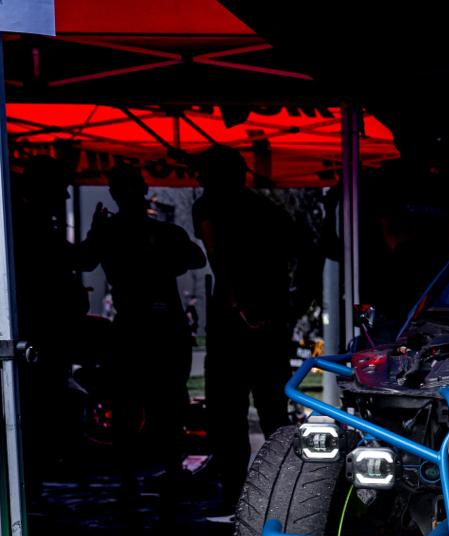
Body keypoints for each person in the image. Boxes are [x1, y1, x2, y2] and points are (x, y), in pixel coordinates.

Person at [79, 164, 206, 510]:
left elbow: (84, 260)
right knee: (153, 404)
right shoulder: (152, 231)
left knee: (144, 405)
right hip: (152, 326)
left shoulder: (136, 232)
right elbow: (194, 257)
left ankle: (140, 476)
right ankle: (149, 474)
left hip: (146, 326)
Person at [192, 146, 304, 514]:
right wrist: (291, 301)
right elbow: (303, 250)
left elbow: (218, 259)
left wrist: (238, 303)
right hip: (267, 315)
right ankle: (279, 492)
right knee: (271, 410)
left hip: (237, 318)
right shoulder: (266, 209)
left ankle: (236, 493)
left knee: (230, 412)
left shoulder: (211, 207)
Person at [10, 156, 90, 497]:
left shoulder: (38, 224)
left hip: (45, 334)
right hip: (36, 336)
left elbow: (75, 260)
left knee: (42, 405)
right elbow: (73, 260)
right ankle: (30, 483)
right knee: (34, 408)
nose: (66, 198)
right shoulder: (30, 225)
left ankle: (33, 481)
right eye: (61, 189)